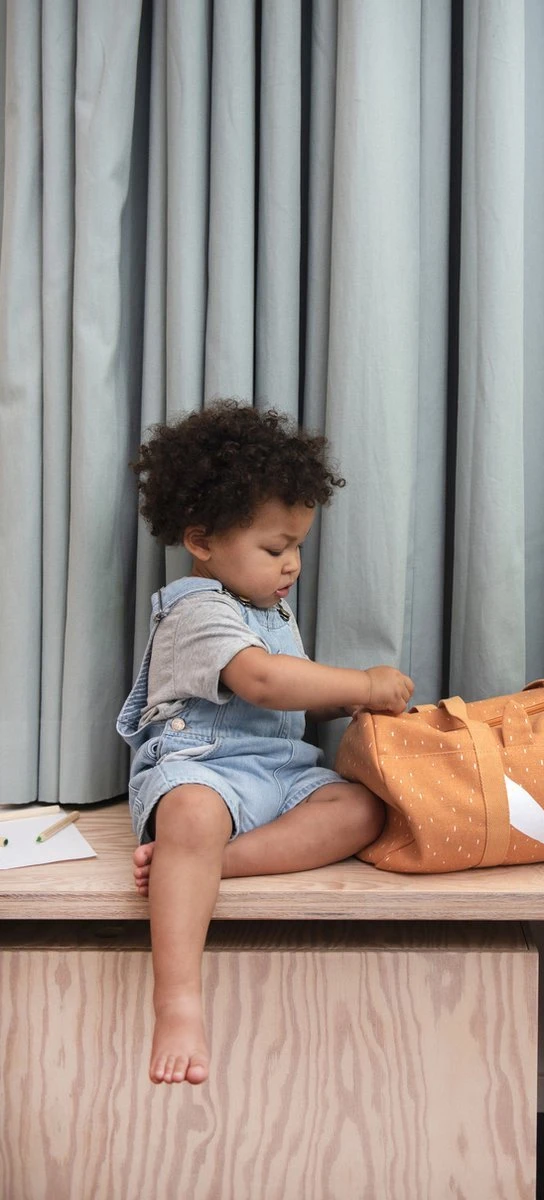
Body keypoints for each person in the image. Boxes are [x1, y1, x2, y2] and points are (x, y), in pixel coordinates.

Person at [116, 400, 414, 1087]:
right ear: (201, 541)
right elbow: (262, 681)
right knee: (193, 813)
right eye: (275, 550)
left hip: (282, 772)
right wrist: (363, 683)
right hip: (205, 768)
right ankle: (178, 1003)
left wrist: (340, 703)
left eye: (298, 548)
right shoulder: (196, 610)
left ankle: (203, 865)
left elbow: (289, 697)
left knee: (362, 810)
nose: (292, 566)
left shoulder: (268, 608)